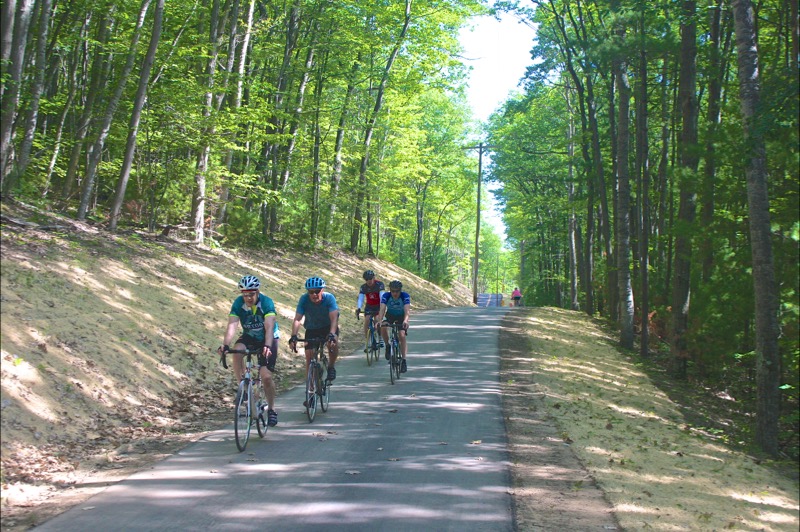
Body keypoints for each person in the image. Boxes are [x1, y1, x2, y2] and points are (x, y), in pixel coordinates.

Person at [217, 275, 279, 427]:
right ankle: (244, 388)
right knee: (237, 351)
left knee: (266, 377)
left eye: (251, 294)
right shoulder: (238, 303)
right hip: (249, 336)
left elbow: (269, 326)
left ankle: (271, 409)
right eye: (245, 294)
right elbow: (232, 325)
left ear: (257, 292)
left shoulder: (266, 302)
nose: (248, 298)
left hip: (268, 338)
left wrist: (267, 346)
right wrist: (225, 345)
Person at [288, 277, 340, 385]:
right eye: (311, 292)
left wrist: (331, 334)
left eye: (317, 291)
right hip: (312, 328)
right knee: (309, 356)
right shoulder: (304, 299)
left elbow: (334, 318)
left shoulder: (329, 298)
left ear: (322, 290)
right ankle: (310, 389)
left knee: (333, 342)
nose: (314, 294)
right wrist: (293, 336)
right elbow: (298, 319)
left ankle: (331, 367)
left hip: (328, 326)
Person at [376, 280, 411, 373]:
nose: (395, 293)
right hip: (390, 316)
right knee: (383, 327)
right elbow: (382, 309)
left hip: (401, 317)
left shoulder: (405, 296)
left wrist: (405, 320)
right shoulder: (386, 296)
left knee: (401, 335)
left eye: (397, 291)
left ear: (400, 290)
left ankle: (404, 360)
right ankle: (387, 345)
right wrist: (379, 321)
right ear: (390, 290)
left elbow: (407, 310)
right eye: (393, 291)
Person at [355, 269, 385, 353]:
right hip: (369, 306)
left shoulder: (379, 284)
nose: (369, 281)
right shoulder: (363, 287)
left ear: (374, 278)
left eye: (370, 279)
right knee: (367, 321)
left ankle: (380, 337)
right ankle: (367, 341)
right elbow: (361, 298)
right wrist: (359, 308)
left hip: (378, 305)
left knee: (377, 321)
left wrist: (382, 308)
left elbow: (382, 296)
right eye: (367, 279)